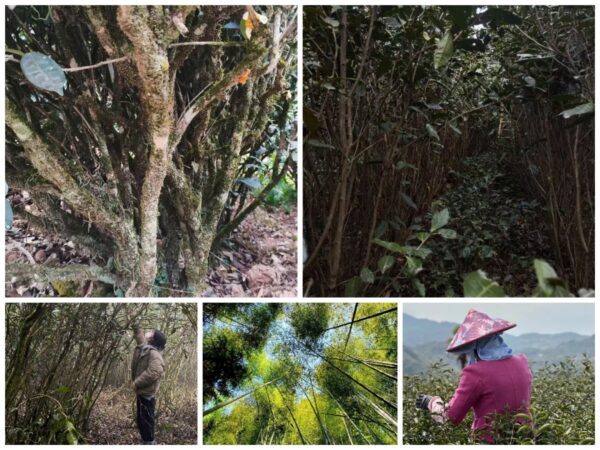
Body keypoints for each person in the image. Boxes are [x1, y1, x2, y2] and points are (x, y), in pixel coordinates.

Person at [415, 309, 532, 442]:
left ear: (475, 347)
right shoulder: (522, 362)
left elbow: (450, 418)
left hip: (491, 441)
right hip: (525, 438)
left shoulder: (475, 373)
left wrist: (432, 402)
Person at [132, 324, 166, 445]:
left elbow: (154, 372)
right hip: (142, 392)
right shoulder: (148, 349)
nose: (149, 336)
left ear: (154, 340)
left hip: (147, 394)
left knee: (146, 421)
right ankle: (145, 440)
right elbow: (141, 341)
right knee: (142, 419)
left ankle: (149, 442)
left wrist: (137, 383)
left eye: (152, 335)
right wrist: (136, 327)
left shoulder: (155, 355)